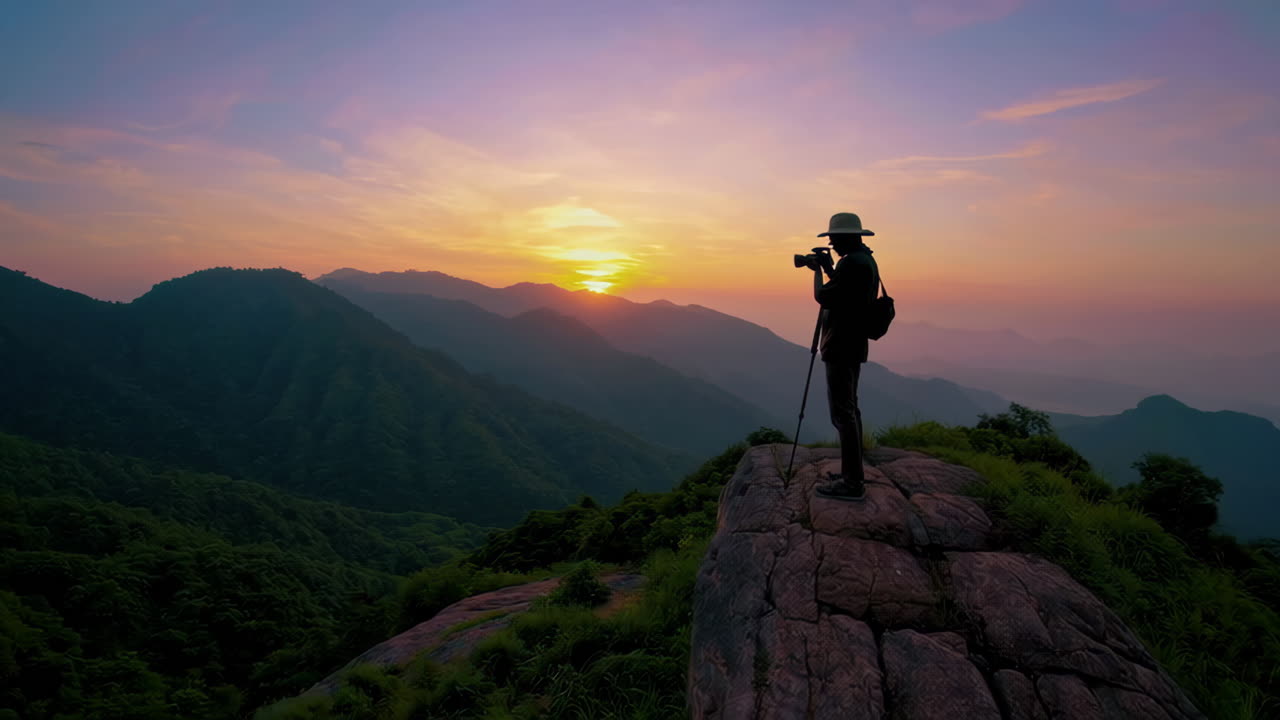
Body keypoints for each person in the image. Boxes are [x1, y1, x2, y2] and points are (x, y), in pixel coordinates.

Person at [811, 212, 880, 500]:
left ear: (845, 238)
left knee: (843, 412)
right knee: (850, 409)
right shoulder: (864, 260)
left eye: (834, 239)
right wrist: (830, 269)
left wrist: (817, 271)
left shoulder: (853, 263)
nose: (832, 244)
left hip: (841, 344)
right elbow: (846, 294)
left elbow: (824, 297)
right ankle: (852, 473)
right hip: (852, 343)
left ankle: (852, 483)